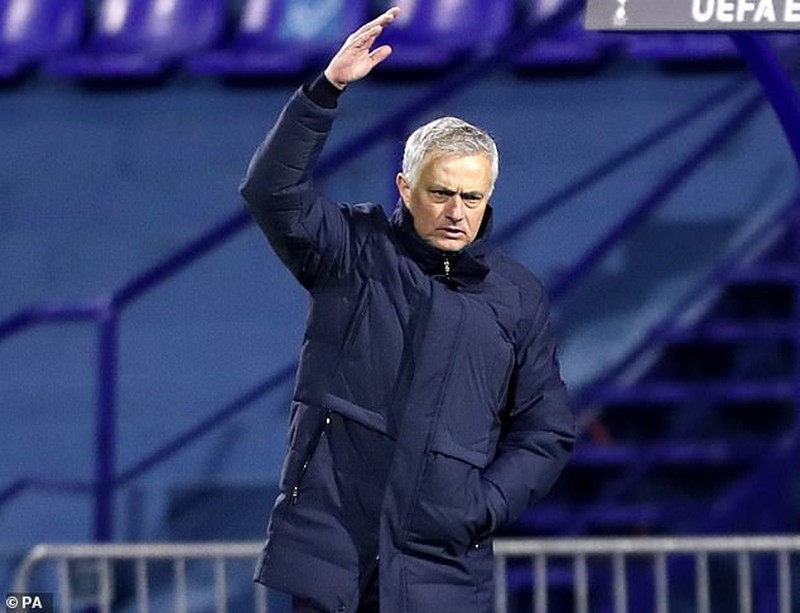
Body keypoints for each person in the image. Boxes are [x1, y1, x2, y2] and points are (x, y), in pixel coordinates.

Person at [239, 7, 575, 612]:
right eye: (441, 192)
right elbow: (272, 192)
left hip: (441, 571)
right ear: (404, 187)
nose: (457, 212)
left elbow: (545, 430)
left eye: (472, 197)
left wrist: (482, 507)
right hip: (333, 560)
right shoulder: (353, 249)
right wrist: (326, 90)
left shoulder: (516, 296)